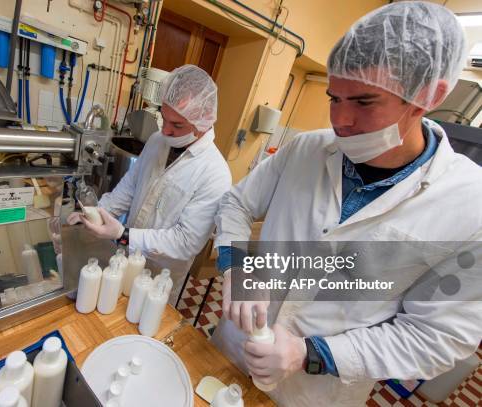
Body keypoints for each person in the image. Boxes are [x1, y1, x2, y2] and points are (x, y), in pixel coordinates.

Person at [211, 2, 482, 406]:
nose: (341, 119)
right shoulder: (305, 149)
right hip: (235, 348)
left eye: (364, 102)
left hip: (315, 389)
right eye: (334, 97)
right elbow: (236, 204)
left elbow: (438, 337)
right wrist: (236, 268)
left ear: (428, 95)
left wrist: (312, 353)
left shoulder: (469, 206)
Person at [69, 64, 232, 304]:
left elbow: (185, 242)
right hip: (124, 259)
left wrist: (123, 234)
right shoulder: (158, 141)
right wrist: (94, 214)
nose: (165, 129)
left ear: (203, 122)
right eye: (164, 119)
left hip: (158, 278)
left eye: (177, 125)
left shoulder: (215, 174)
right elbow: (130, 186)